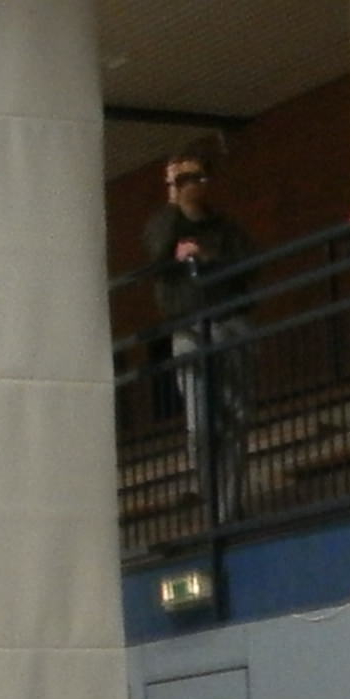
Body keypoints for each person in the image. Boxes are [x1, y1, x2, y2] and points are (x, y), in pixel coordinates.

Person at [136, 155, 251, 517]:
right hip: (187, 327)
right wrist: (174, 203)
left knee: (234, 418)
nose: (190, 183)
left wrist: (205, 255)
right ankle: (215, 502)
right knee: (200, 424)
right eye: (181, 178)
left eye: (196, 176)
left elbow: (247, 266)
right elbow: (156, 255)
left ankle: (228, 509)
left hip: (229, 321)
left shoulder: (225, 227)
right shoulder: (163, 223)